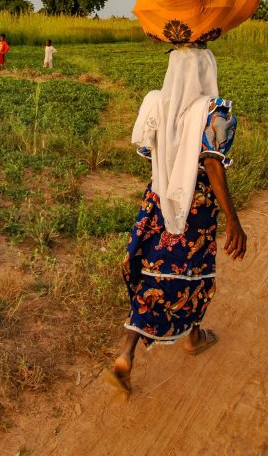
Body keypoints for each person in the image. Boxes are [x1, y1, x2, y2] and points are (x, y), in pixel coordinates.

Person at [105, 47, 247, 397]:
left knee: (154, 270)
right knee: (192, 272)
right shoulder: (216, 111)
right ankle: (191, 337)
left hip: (158, 197)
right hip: (194, 206)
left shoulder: (156, 101)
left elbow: (148, 150)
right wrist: (233, 219)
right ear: (205, 71)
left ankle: (134, 350)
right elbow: (213, 165)